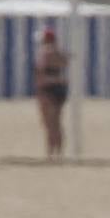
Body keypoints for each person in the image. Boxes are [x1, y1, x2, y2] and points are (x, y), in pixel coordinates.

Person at [35, 27, 68, 158]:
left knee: (49, 124)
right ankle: (59, 152)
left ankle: (50, 152)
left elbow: (40, 72)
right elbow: (65, 64)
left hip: (47, 89)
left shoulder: (44, 53)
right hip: (59, 89)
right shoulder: (59, 53)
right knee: (57, 123)